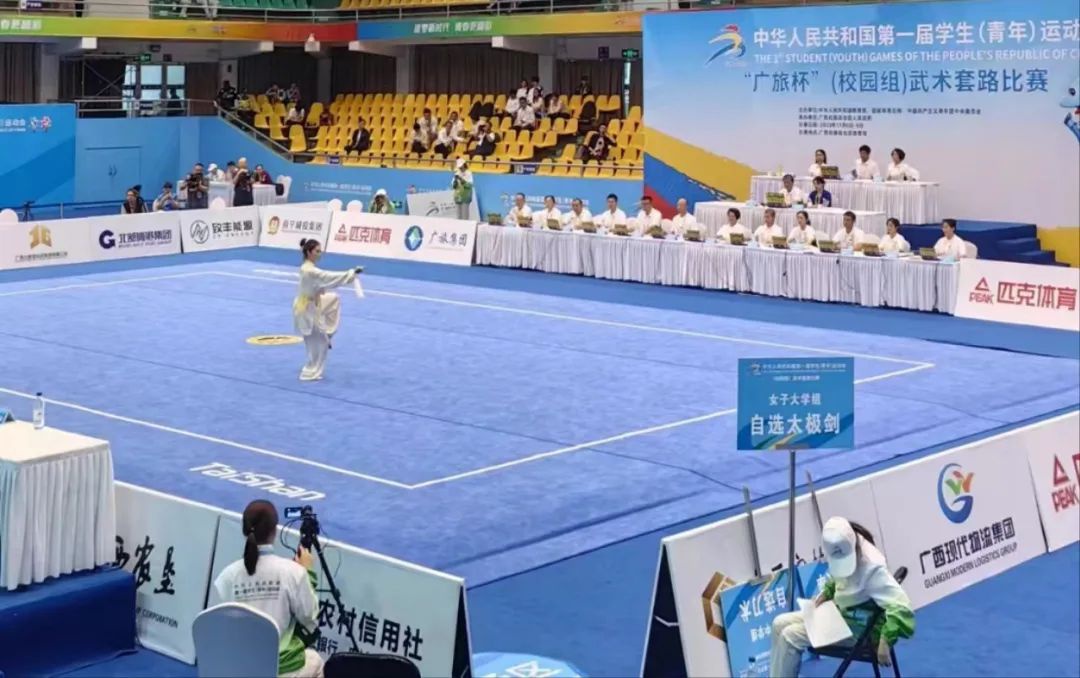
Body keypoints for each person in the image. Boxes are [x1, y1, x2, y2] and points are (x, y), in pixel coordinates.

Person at [770, 517, 914, 678]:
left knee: (790, 636)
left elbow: (902, 606)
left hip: (862, 630)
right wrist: (827, 592)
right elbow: (840, 577)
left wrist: (885, 641)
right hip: (842, 615)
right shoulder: (842, 544)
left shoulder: (873, 568)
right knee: (778, 623)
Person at [213, 500, 322, 677]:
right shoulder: (294, 573)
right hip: (281, 670)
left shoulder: (226, 577)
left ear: (244, 530)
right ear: (274, 531)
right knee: (315, 660)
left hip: (238, 668)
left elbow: (220, 626)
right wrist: (308, 573)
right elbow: (310, 618)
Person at [293, 239, 361, 382]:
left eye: (320, 251)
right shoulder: (310, 270)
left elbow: (323, 281)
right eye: (317, 251)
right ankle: (309, 371)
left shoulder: (308, 268)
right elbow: (328, 277)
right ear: (309, 252)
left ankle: (328, 332)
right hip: (306, 308)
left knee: (334, 299)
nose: (320, 254)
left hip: (312, 302)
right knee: (317, 343)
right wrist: (350, 273)